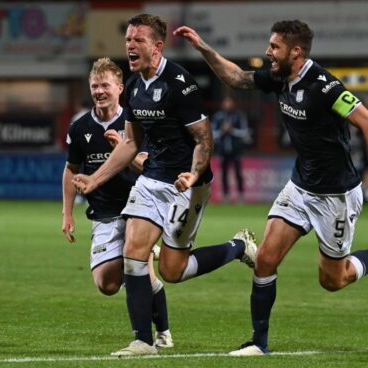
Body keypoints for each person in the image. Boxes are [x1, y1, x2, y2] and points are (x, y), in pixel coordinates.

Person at [174, 20, 368, 356]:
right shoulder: (279, 78)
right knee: (264, 259)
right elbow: (236, 78)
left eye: (274, 47)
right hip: (300, 186)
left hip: (335, 195)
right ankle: (258, 343)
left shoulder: (325, 87)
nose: (268, 52)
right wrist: (203, 47)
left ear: (296, 51)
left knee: (333, 280)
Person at [71, 14, 258, 356]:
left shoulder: (179, 83)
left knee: (173, 271)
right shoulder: (132, 87)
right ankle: (143, 341)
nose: (130, 45)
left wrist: (192, 174)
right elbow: (130, 143)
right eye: (128, 39)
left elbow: (204, 140)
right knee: (133, 255)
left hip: (187, 184)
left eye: (138, 40)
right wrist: (94, 179)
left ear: (157, 47)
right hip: (152, 177)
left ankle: (237, 248)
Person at [61, 57, 174, 350]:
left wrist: (123, 151)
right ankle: (145, 255)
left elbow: (150, 169)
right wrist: (67, 214)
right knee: (106, 284)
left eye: (105, 85)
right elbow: (71, 170)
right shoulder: (79, 127)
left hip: (138, 209)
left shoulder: (137, 123)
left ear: (120, 88)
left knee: (139, 269)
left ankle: (162, 334)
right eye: (94, 86)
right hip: (103, 214)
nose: (99, 91)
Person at [211, 96, 250, 203]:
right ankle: (225, 196)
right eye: (225, 103)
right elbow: (213, 134)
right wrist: (222, 130)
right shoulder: (218, 116)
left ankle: (240, 196)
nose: (227, 105)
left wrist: (231, 130)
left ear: (233, 104)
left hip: (236, 150)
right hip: (222, 150)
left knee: (238, 173)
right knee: (224, 174)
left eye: (229, 102)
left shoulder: (239, 116)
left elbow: (244, 132)